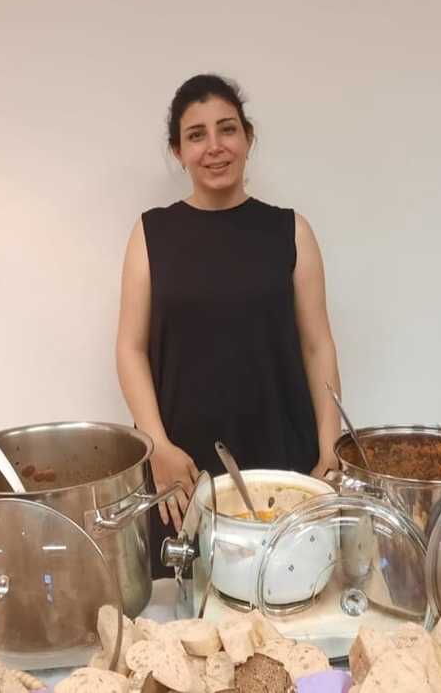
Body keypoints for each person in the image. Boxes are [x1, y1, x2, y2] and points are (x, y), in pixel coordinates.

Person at [116, 74, 342, 577]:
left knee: (285, 597)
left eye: (227, 129)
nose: (214, 146)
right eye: (196, 135)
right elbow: (130, 349)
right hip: (181, 467)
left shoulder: (291, 230)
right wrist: (157, 446)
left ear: (248, 137)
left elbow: (317, 346)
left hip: (283, 455)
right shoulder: (152, 233)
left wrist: (330, 446)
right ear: (178, 151)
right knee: (183, 606)